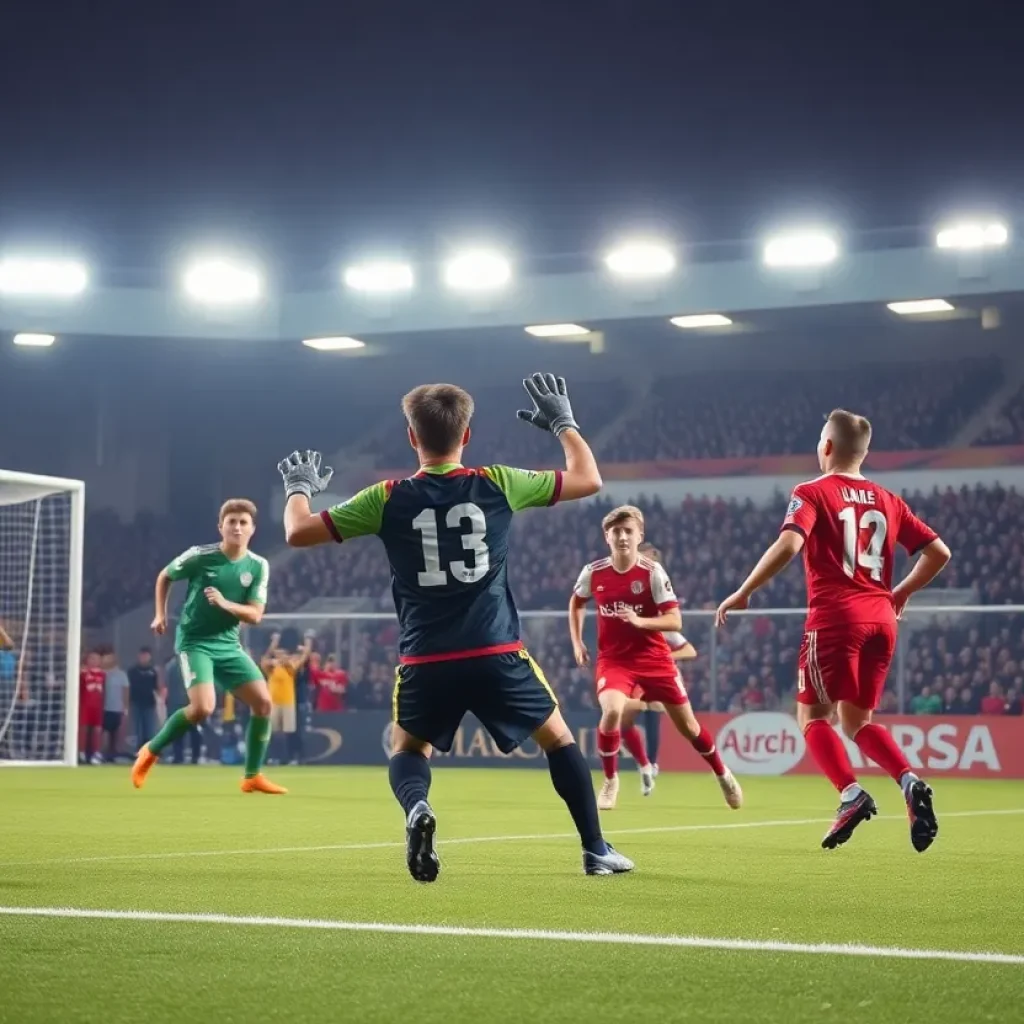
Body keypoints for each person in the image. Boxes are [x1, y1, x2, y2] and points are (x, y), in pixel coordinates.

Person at [280, 373, 634, 881]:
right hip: (495, 651)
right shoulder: (497, 482)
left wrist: (298, 489)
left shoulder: (386, 497)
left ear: (411, 436)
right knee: (558, 740)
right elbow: (587, 479)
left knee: (407, 751)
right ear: (466, 435)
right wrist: (563, 423)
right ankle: (595, 849)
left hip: (424, 659)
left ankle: (418, 809)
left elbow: (297, 531)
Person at [716, 409, 950, 853]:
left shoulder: (811, 492)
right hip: (882, 621)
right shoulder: (889, 499)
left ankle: (850, 793)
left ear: (826, 447)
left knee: (813, 717)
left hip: (836, 619)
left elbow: (789, 542)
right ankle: (909, 780)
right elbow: (939, 553)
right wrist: (898, 594)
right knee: (858, 721)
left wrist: (744, 591)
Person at [570, 506, 742, 811]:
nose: (622, 536)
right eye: (616, 531)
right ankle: (610, 781)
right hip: (615, 661)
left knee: (689, 728)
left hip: (654, 659)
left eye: (628, 531)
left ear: (639, 536)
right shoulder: (593, 571)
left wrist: (640, 622)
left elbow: (675, 621)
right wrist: (577, 641)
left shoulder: (652, 572)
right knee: (611, 712)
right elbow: (577, 602)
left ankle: (722, 773)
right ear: (606, 537)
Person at [132, 498, 284, 794]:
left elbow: (255, 615)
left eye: (243, 523)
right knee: (203, 708)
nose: (237, 527)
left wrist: (226, 604)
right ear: (221, 527)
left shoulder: (258, 566)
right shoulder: (200, 556)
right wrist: (160, 614)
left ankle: (252, 776)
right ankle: (150, 751)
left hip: (228, 644)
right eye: (232, 522)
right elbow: (165, 576)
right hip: (194, 642)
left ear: (252, 529)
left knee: (263, 704)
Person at [625, 542, 698, 780]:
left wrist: (664, 656)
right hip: (630, 669)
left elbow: (689, 651)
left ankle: (651, 763)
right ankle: (641, 764)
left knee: (658, 711)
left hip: (657, 674)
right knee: (620, 715)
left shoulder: (660, 620)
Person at [260, 631, 313, 765]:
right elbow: (263, 660)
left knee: (288, 732)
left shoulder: (290, 668)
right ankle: (273, 757)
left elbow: (305, 656)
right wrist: (273, 644)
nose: (281, 657)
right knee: (274, 732)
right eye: (279, 655)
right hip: (274, 703)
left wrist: (307, 643)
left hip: (287, 702)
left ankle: (288, 757)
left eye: (283, 655)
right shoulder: (272, 668)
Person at [127, 647, 162, 748]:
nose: (144, 658)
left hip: (149, 703)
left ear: (149, 657)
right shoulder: (132, 671)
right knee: (137, 729)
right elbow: (128, 687)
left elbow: (158, 687)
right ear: (139, 656)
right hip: (135, 702)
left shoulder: (154, 671)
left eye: (146, 656)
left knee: (149, 728)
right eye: (142, 655)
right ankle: (138, 750)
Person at [101, 651, 129, 761]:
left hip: (117, 708)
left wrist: (125, 707)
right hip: (104, 708)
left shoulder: (121, 674)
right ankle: (102, 753)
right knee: (103, 731)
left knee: (115, 732)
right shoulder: (102, 674)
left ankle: (113, 753)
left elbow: (126, 690)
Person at [79, 651, 105, 765]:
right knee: (83, 728)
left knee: (97, 730)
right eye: (91, 658)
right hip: (85, 705)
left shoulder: (103, 674)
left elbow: (104, 691)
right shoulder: (82, 673)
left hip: (97, 706)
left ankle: (96, 753)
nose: (94, 661)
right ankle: (81, 752)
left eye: (96, 659)